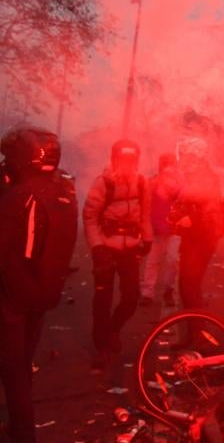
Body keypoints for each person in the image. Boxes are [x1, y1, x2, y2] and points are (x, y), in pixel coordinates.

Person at [0, 125, 78, 442]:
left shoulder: (18, 195)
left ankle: (22, 433)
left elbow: (6, 251)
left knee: (14, 367)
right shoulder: (64, 189)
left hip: (14, 295)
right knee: (22, 361)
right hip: (44, 292)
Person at [84, 139, 152, 369]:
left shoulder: (142, 183)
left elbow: (145, 214)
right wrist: (97, 247)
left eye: (132, 160)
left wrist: (148, 239)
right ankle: (101, 346)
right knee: (102, 299)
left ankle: (113, 329)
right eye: (123, 159)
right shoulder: (103, 183)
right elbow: (90, 217)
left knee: (131, 297)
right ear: (114, 160)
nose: (127, 164)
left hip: (130, 248)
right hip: (106, 247)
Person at [169, 137, 222, 311]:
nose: (182, 160)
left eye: (185, 156)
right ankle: (193, 331)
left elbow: (214, 207)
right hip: (192, 238)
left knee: (190, 284)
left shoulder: (207, 177)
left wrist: (192, 218)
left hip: (203, 238)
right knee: (185, 284)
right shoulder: (192, 176)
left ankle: (198, 333)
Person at [140, 153, 181, 307]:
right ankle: (147, 293)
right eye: (165, 164)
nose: (167, 168)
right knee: (152, 261)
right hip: (156, 228)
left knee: (172, 260)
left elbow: (182, 197)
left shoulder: (179, 182)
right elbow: (146, 201)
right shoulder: (153, 181)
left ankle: (168, 290)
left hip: (174, 229)